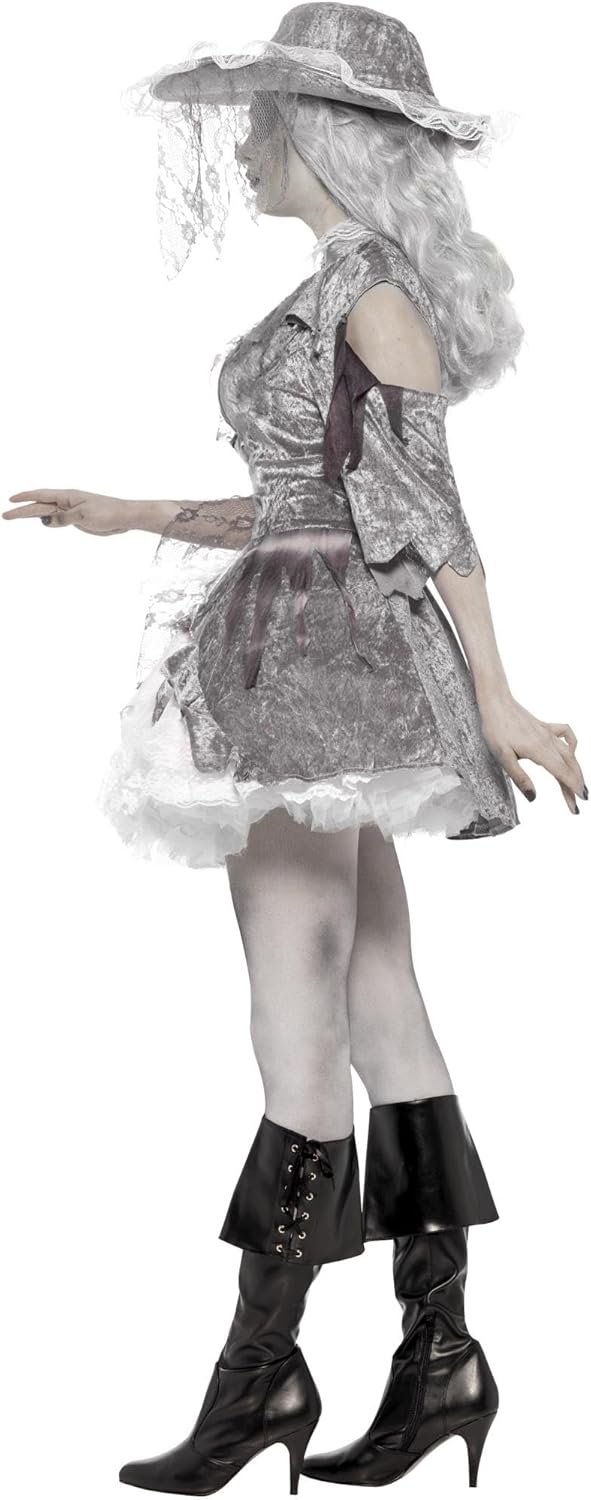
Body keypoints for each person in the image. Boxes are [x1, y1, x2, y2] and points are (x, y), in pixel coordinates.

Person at [4, 6, 586, 1493]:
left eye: (269, 118)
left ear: (323, 134)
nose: (248, 144)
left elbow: (431, 517)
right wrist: (130, 512)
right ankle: (441, 1356)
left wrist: (503, 698)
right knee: (380, 1000)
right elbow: (297, 503)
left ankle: (259, 1375)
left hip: (322, 677)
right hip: (309, 649)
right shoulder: (342, 289)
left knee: (293, 1015)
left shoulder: (370, 295)